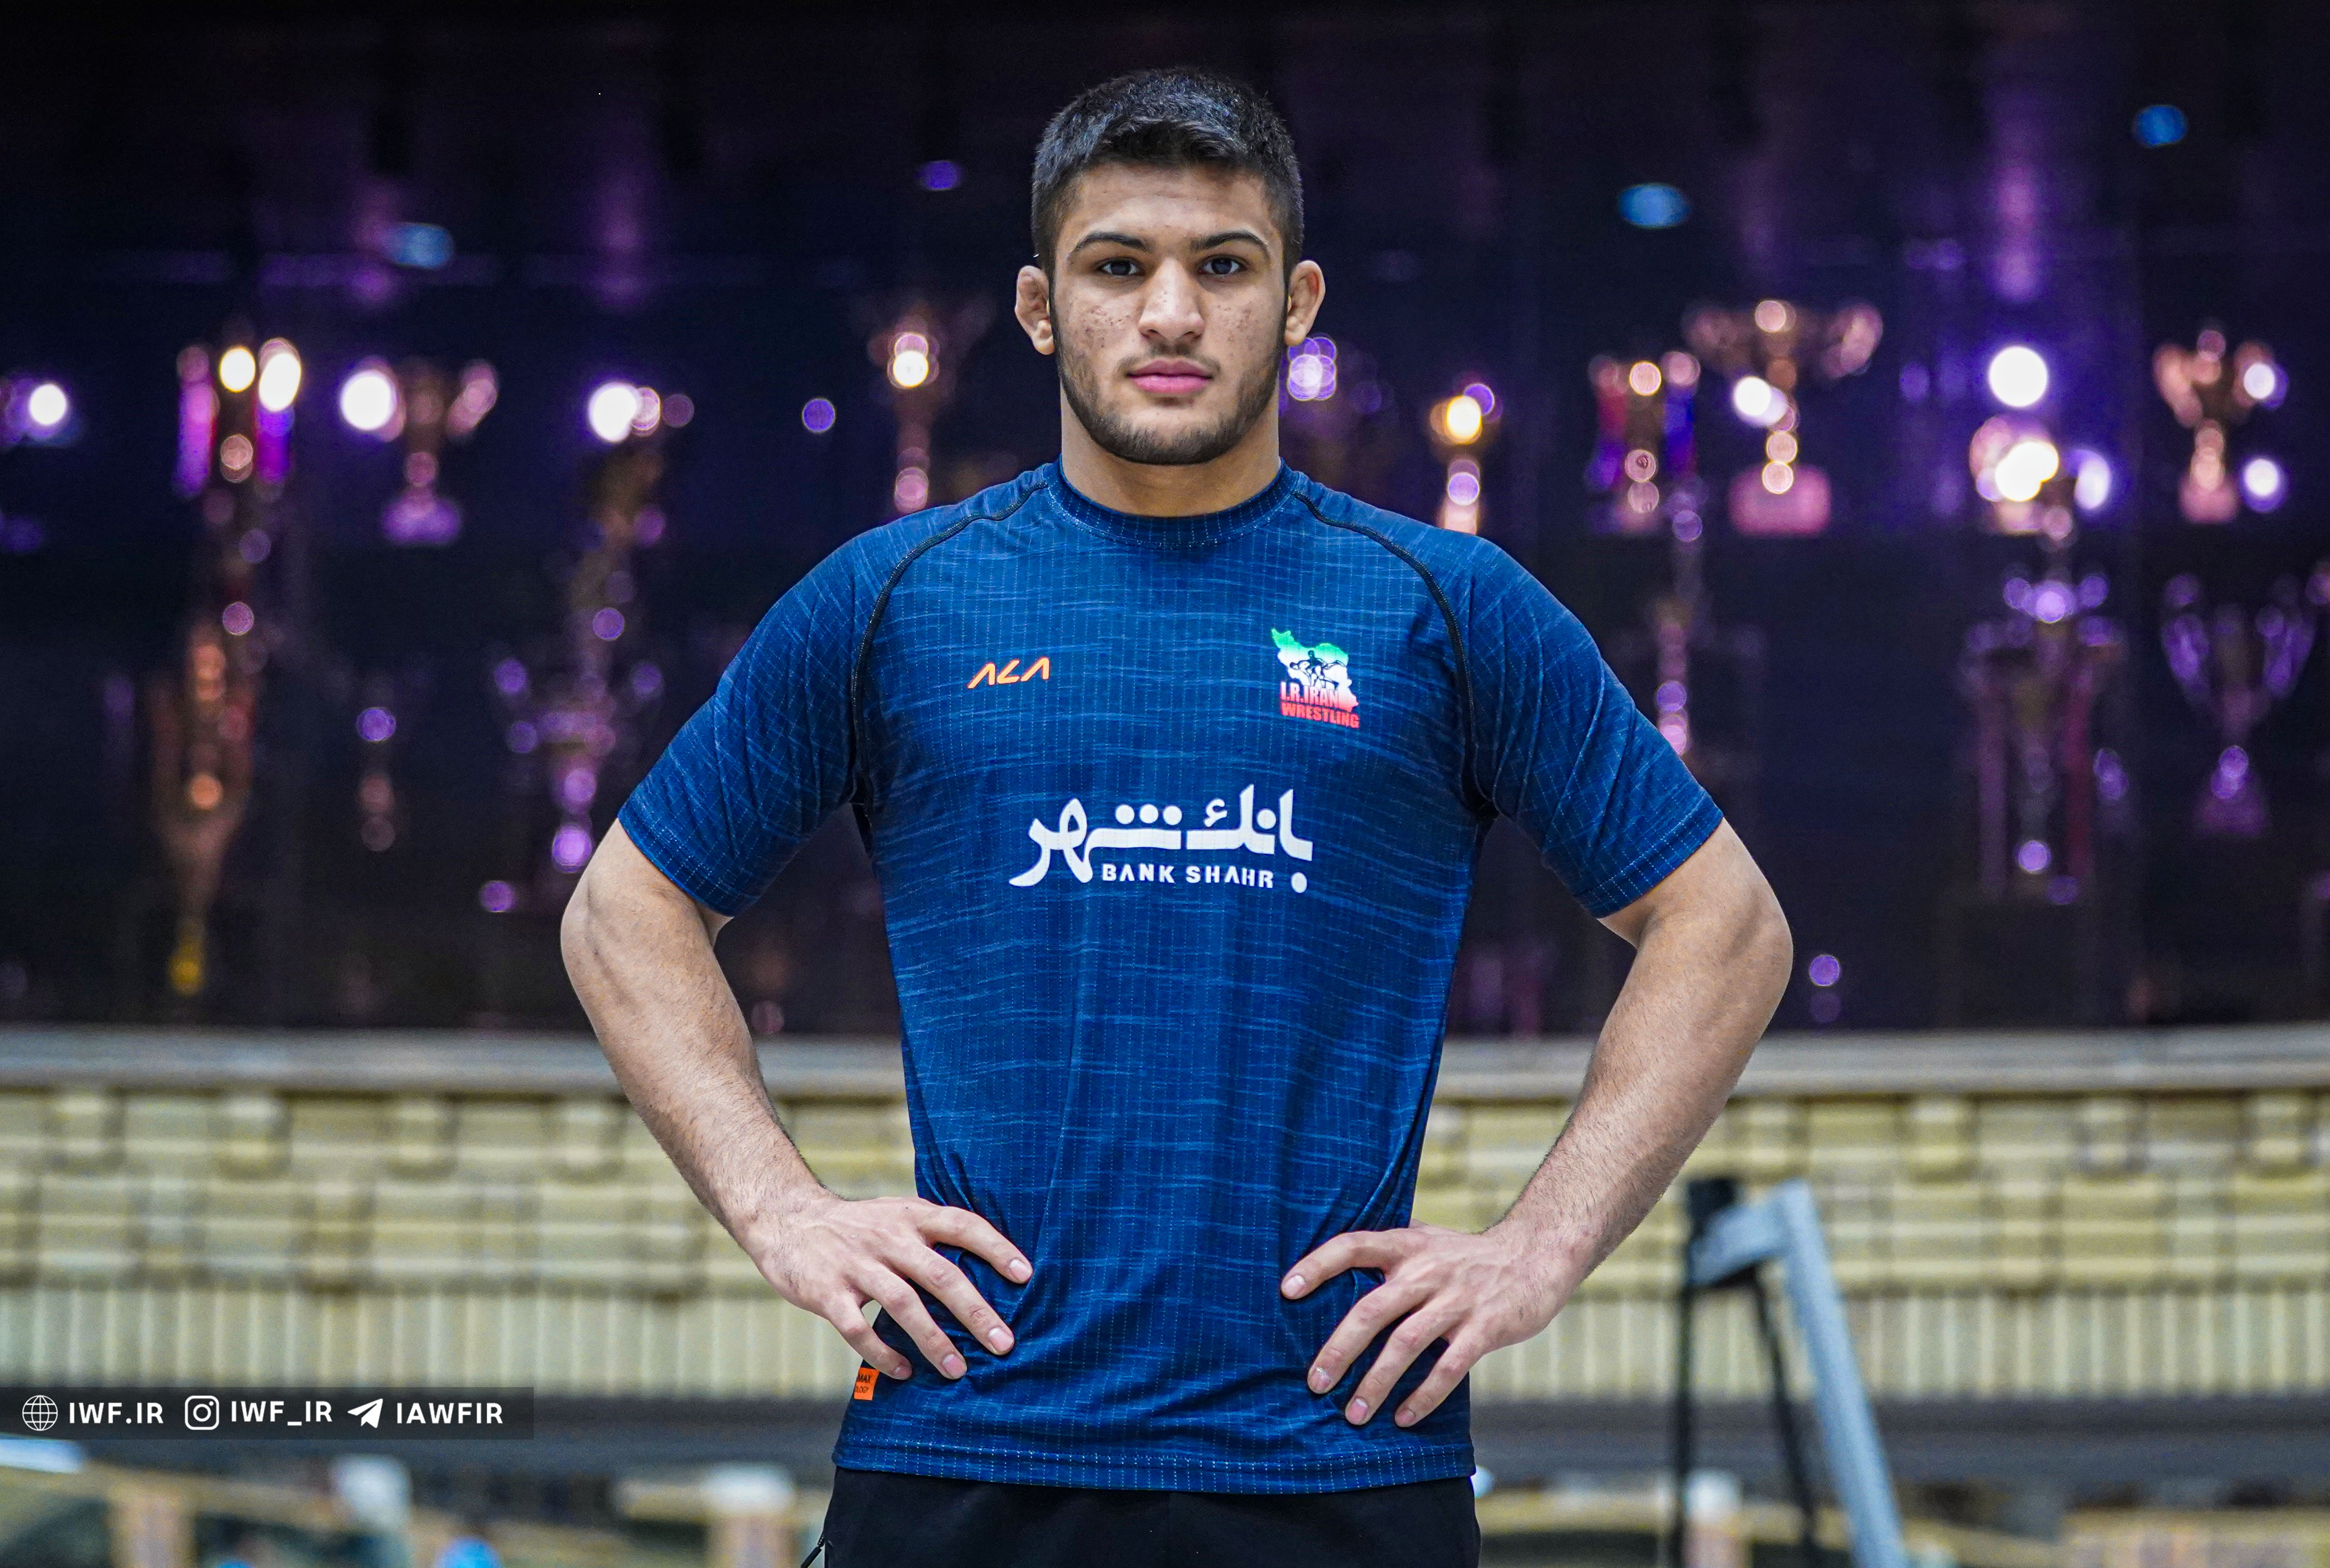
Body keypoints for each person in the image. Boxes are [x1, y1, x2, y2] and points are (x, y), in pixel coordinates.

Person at [562, 67, 1790, 1568]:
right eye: (1115, 266)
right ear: (1038, 308)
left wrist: (1540, 1248)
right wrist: (781, 1211)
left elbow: (1724, 924)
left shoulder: (1446, 608)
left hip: (1337, 1455)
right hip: (966, 1444)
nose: (1168, 313)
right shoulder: (892, 601)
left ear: (1297, 302)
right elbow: (623, 911)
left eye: (1222, 266)